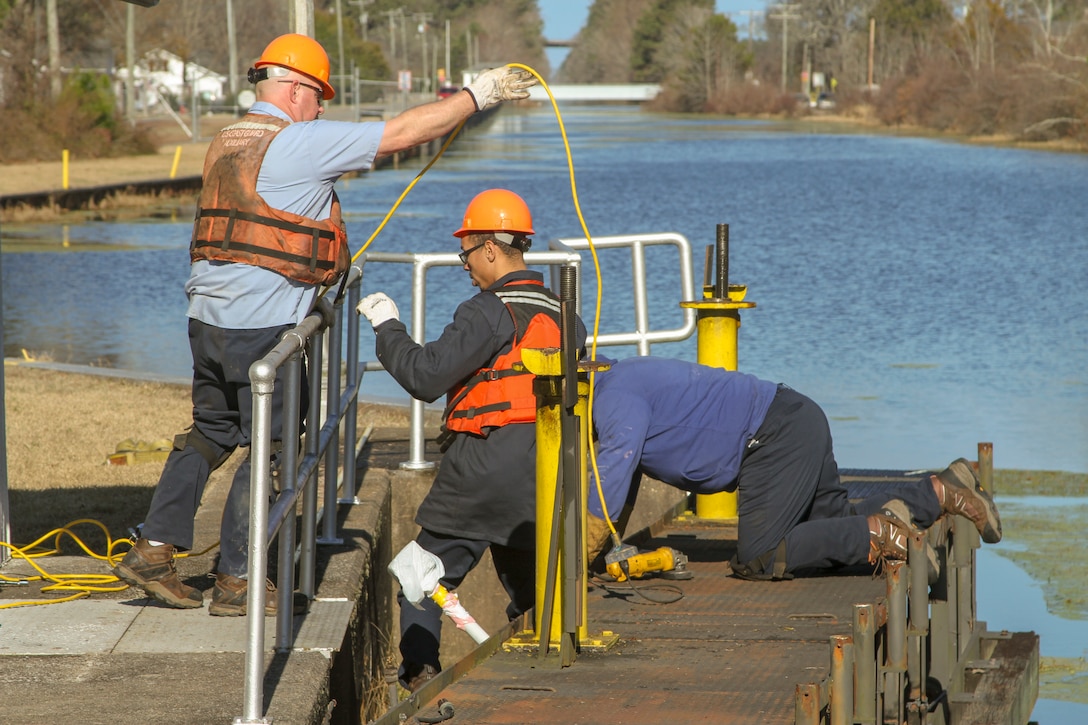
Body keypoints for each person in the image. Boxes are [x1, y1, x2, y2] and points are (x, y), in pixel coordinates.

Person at [112, 33, 537, 616]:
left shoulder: (225, 141)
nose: (321, 110)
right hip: (262, 326)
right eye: (318, 97)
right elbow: (406, 132)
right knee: (274, 447)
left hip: (205, 318)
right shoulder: (298, 143)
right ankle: (239, 581)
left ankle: (154, 549)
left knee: (210, 431)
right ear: (294, 89)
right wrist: (478, 95)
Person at [356, 189, 587, 692]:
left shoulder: (486, 311)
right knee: (533, 586)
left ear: (489, 249)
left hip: (482, 469)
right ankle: (552, 668)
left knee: (421, 576)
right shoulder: (565, 313)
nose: (463, 263)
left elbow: (425, 375)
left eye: (466, 251)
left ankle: (421, 679)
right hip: (544, 475)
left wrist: (386, 325)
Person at [586, 356, 1002, 580]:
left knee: (761, 557)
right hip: (796, 414)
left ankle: (881, 533)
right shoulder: (624, 377)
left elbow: (608, 483)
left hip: (773, 436)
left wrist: (580, 558)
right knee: (831, 520)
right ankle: (941, 491)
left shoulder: (614, 400)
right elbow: (619, 484)